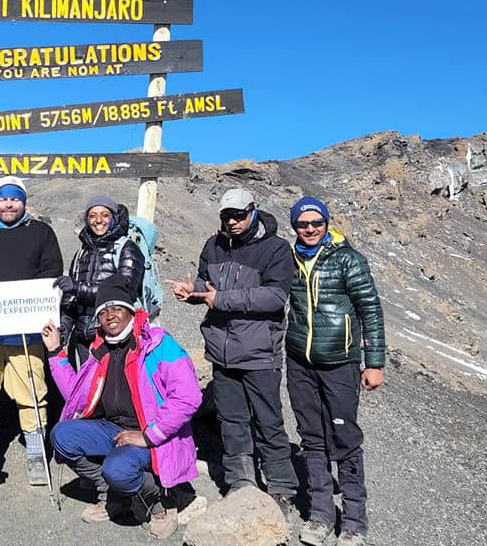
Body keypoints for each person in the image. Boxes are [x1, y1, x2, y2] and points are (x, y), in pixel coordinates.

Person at [164, 188, 299, 516]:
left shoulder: (276, 249)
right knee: (231, 420)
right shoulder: (214, 245)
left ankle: (281, 487)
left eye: (239, 214)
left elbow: (275, 297)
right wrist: (191, 292)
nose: (233, 221)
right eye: (228, 215)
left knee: (268, 420)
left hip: (259, 353)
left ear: (253, 211)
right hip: (220, 353)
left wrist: (220, 299)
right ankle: (241, 484)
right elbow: (205, 284)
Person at [43, 275, 201, 540]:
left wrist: (149, 435)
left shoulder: (158, 344)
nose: (109, 316)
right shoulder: (101, 350)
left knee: (118, 469)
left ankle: (160, 501)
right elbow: (77, 396)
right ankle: (113, 494)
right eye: (103, 311)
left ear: (131, 311)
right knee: (61, 435)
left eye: (117, 308)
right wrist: (56, 352)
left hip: (154, 435)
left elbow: (189, 396)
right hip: (114, 429)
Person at [285, 196, 385, 546]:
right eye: (303, 223)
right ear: (294, 225)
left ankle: (355, 520)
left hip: (340, 362)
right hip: (299, 361)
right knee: (311, 436)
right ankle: (321, 514)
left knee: (344, 438)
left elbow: (370, 309)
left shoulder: (348, 259)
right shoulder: (290, 259)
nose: (310, 229)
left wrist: (374, 363)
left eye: (317, 222)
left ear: (327, 223)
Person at [0, 175, 64, 486]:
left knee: (32, 393)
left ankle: (36, 455)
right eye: (3, 198)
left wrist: (42, 299)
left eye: (15, 198)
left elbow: (52, 270)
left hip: (26, 332)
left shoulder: (41, 232)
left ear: (23, 201)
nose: (8, 203)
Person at [56, 196, 144, 368]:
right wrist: (64, 328)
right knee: (83, 391)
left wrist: (78, 288)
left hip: (115, 337)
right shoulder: (82, 252)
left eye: (104, 215)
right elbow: (71, 299)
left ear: (114, 218)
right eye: (92, 216)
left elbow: (125, 290)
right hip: (82, 337)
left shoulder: (127, 248)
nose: (98, 220)